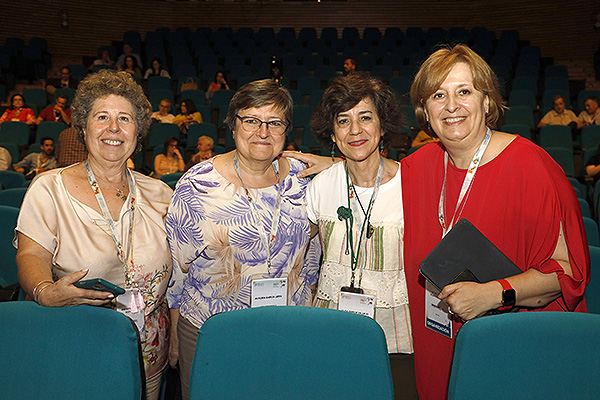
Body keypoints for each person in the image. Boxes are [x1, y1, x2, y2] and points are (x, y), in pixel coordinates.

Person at [403, 44, 589, 400]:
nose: (452, 106)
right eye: (438, 95)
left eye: (464, 91)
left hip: (514, 348)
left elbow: (567, 273)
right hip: (438, 341)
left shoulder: (531, 167)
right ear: (425, 110)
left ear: (487, 102)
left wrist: (492, 293)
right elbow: (366, 175)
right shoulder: (419, 166)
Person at [14, 69, 173, 400]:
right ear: (83, 126)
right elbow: (32, 254)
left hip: (150, 352)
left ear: (138, 132)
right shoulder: (49, 188)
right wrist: (44, 291)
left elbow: (180, 277)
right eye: (102, 117)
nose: (113, 128)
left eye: (124, 119)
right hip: (79, 344)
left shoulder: (161, 194)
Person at [166, 79, 320, 400]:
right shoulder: (197, 185)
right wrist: (175, 336)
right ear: (233, 125)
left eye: (275, 123)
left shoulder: (305, 180)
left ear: (287, 130)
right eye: (251, 120)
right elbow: (177, 268)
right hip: (210, 331)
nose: (263, 132)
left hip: (287, 329)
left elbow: (313, 255)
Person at [306, 73, 416, 397]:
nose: (355, 130)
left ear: (383, 127)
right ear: (333, 134)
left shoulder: (411, 186)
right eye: (344, 120)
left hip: (397, 336)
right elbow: (303, 253)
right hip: (330, 329)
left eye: (365, 117)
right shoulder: (320, 186)